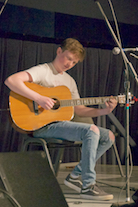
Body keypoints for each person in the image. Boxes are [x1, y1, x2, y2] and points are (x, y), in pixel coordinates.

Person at [5, 38, 117, 201]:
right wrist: (39, 98)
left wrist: (104, 110)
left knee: (109, 137)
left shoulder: (69, 81)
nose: (70, 63)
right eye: (68, 58)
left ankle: (75, 176)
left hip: (61, 124)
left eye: (74, 62)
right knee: (91, 131)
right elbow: (11, 80)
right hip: (41, 125)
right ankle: (88, 185)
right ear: (59, 51)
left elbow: (79, 110)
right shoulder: (43, 70)